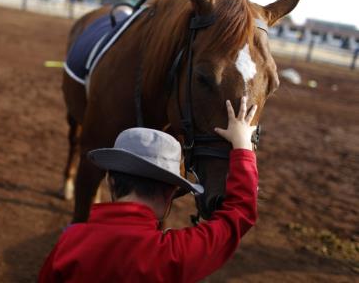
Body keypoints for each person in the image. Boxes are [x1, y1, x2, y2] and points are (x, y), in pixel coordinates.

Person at [39, 97, 259, 283]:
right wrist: (243, 147)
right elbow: (239, 214)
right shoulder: (174, 254)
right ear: (171, 193)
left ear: (110, 181)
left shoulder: (70, 240)